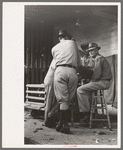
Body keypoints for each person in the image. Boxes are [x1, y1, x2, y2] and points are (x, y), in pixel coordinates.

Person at [52, 29, 81, 134]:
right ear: (67, 37)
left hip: (60, 70)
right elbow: (78, 62)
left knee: (63, 100)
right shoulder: (73, 43)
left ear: (59, 38)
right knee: (68, 99)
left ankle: (64, 125)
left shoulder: (54, 48)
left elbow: (55, 63)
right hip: (72, 71)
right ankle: (61, 123)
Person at [77, 43, 112, 122]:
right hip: (101, 81)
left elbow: (97, 75)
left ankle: (87, 113)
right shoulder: (95, 59)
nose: (90, 52)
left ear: (97, 50)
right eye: (89, 51)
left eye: (92, 50)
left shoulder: (99, 59)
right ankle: (90, 113)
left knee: (80, 90)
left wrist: (83, 77)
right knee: (86, 91)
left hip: (103, 82)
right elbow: (90, 69)